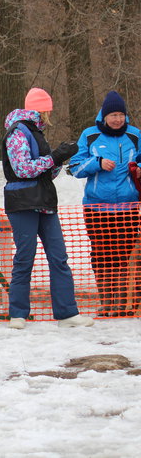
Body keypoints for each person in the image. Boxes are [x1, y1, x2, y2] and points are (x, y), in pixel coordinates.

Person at [2, 88, 94, 329]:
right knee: (25, 257)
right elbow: (23, 169)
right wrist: (54, 157)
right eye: (48, 110)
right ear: (41, 110)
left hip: (44, 201)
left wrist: (59, 159)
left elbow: (45, 172)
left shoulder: (37, 132)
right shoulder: (18, 132)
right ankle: (18, 313)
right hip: (23, 202)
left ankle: (67, 313)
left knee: (59, 257)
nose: (49, 115)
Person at [69, 91, 141, 317]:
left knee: (124, 254)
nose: (117, 119)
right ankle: (106, 301)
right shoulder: (90, 135)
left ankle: (121, 303)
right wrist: (97, 163)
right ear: (104, 115)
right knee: (101, 254)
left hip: (128, 207)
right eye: (113, 115)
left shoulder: (135, 135)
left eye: (121, 115)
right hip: (97, 207)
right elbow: (75, 167)